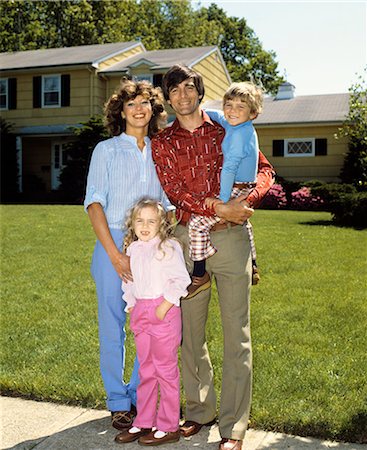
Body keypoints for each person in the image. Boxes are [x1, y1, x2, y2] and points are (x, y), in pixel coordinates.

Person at [152, 64, 275, 450]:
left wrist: (245, 203)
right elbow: (173, 190)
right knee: (190, 334)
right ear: (168, 97)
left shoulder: (229, 124)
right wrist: (217, 207)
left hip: (233, 238)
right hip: (190, 240)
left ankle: (233, 426)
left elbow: (265, 170)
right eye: (174, 90)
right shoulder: (163, 142)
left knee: (237, 333)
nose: (182, 96)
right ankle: (199, 411)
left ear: (199, 91)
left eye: (188, 88)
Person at [84, 78, 172, 432]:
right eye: (131, 104)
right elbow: (93, 203)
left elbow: (168, 201)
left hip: (150, 245)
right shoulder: (106, 150)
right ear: (120, 112)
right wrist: (116, 255)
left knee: (147, 322)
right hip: (112, 243)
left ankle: (140, 394)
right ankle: (118, 401)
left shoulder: (161, 150)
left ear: (153, 110)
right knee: (113, 325)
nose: (139, 109)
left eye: (145, 103)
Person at [114, 198, 190, 446]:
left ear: (161, 224)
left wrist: (163, 307)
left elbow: (180, 280)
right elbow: (129, 280)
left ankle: (168, 425)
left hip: (163, 313)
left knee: (165, 370)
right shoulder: (133, 249)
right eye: (139, 221)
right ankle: (144, 421)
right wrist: (133, 304)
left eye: (151, 221)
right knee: (146, 370)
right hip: (141, 312)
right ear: (132, 224)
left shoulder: (168, 247)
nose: (145, 226)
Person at [186, 81, 264, 298]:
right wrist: (197, 111)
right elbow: (219, 116)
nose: (232, 111)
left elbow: (229, 168)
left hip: (237, 187)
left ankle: (199, 274)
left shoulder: (240, 136)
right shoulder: (235, 123)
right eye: (229, 105)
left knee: (197, 224)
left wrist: (220, 201)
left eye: (241, 107)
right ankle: (254, 264)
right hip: (244, 185)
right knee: (244, 221)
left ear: (253, 113)